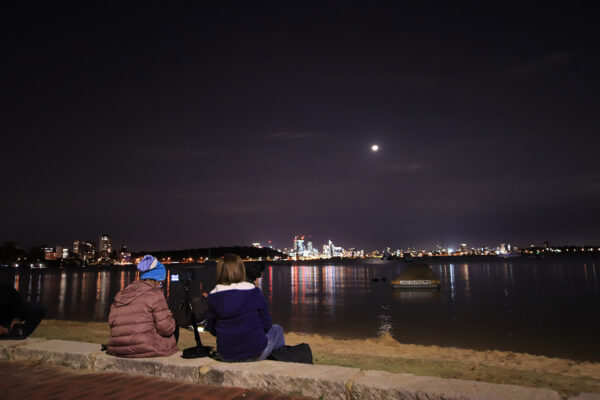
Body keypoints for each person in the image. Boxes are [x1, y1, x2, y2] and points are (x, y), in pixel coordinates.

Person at [205, 254, 285, 362]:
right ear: (241, 270)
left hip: (226, 354)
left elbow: (212, 328)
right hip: (255, 353)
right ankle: (278, 364)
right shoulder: (254, 292)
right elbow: (267, 323)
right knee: (277, 329)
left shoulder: (213, 297)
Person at [107, 255, 178, 358]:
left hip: (119, 347)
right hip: (146, 348)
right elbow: (165, 329)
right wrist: (169, 317)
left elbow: (112, 321)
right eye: (161, 282)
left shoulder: (121, 294)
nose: (161, 285)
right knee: (173, 324)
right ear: (157, 280)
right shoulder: (155, 294)